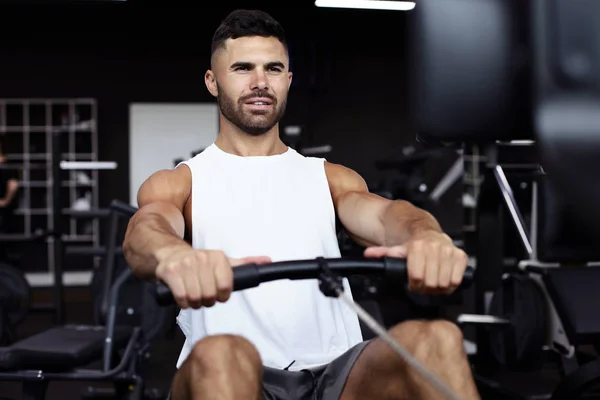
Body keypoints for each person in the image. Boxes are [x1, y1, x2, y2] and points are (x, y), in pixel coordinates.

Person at [123, 9, 480, 400]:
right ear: (213, 81)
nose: (260, 82)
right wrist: (173, 255)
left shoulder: (328, 178)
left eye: (273, 69)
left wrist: (425, 235)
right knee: (221, 353)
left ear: (288, 80)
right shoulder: (183, 182)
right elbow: (147, 229)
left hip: (337, 377)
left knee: (439, 339)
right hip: (236, 374)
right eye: (243, 68)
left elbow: (387, 214)